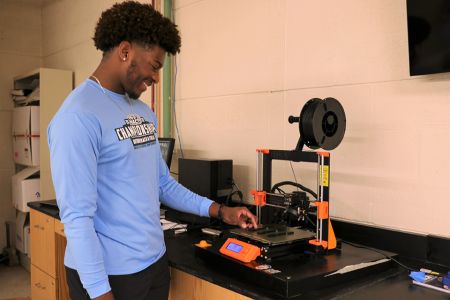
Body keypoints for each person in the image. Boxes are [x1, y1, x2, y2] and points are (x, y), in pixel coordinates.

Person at [47, 2, 257, 300]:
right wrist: (99, 291)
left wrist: (220, 211)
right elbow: (77, 218)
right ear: (125, 51)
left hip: (153, 264)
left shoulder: (144, 113)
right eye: (155, 66)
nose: (157, 78)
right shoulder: (77, 116)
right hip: (108, 277)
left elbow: (161, 184)